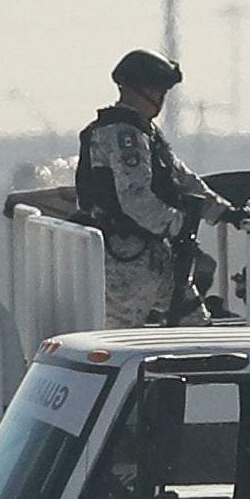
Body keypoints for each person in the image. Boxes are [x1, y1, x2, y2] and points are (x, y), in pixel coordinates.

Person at [76, 49, 240, 324]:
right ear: (144, 89)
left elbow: (181, 177)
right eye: (159, 91)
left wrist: (222, 211)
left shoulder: (144, 131)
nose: (161, 100)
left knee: (196, 331)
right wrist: (181, 225)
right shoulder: (123, 135)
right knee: (123, 348)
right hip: (127, 261)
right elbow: (137, 201)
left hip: (156, 256)